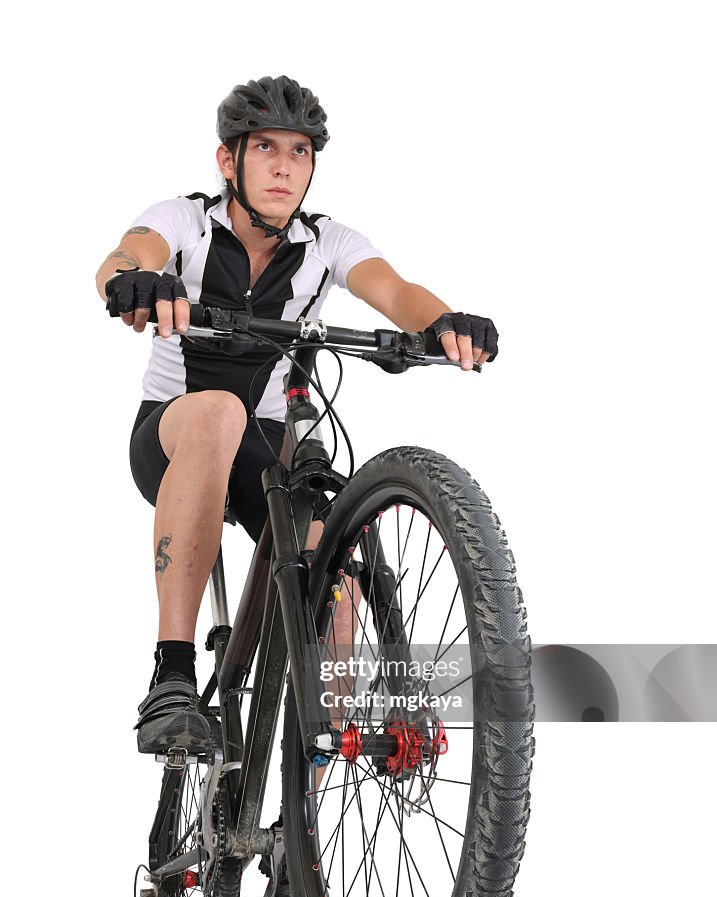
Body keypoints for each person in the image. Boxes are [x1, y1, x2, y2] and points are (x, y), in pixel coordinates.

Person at [95, 75, 499, 757]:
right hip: (173, 434)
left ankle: (306, 797)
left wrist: (444, 323)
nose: (284, 167)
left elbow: (394, 290)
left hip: (265, 451)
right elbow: (126, 255)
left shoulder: (326, 242)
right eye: (265, 150)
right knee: (220, 410)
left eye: (300, 152)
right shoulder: (184, 219)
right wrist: (133, 280)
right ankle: (170, 672)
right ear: (229, 161)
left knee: (329, 554)